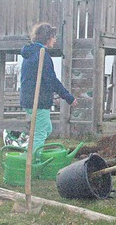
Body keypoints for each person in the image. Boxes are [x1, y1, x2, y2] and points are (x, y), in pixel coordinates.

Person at [20, 22, 77, 153]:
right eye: (54, 37)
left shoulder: (30, 53)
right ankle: (33, 161)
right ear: (48, 38)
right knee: (40, 133)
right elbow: (52, 80)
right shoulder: (42, 55)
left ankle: (27, 145)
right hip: (38, 101)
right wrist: (68, 97)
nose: (55, 40)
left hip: (28, 99)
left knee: (47, 129)